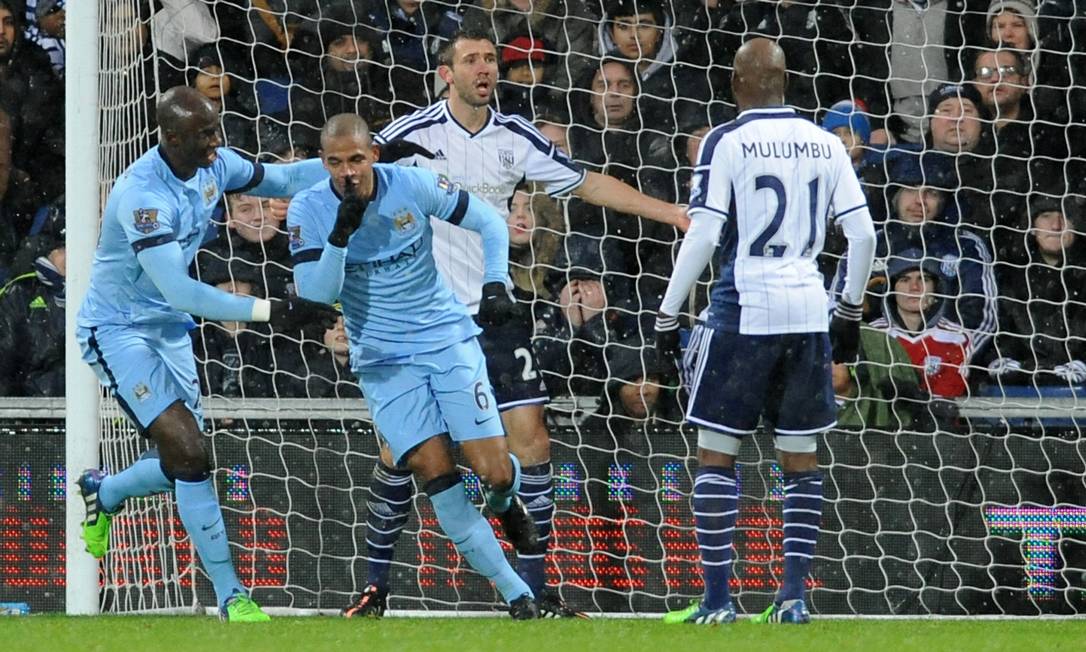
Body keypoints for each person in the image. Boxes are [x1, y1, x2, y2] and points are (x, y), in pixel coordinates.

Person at [359, 27, 688, 619]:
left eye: (490, 59)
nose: (485, 68)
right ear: (446, 73)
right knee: (401, 450)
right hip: (423, 319)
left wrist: (669, 212)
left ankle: (535, 593)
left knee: (532, 444)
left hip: (494, 314)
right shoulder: (410, 135)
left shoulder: (516, 136)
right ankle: (374, 588)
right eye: (472, 60)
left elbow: (586, 182)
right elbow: (352, 175)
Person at [73, 87, 340, 623]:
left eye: (216, 130)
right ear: (171, 138)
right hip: (119, 329)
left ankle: (105, 491)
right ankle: (231, 596)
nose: (216, 142)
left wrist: (345, 162)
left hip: (168, 331)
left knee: (182, 463)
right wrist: (272, 311)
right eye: (203, 135)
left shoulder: (216, 163)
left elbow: (283, 180)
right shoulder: (142, 196)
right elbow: (183, 292)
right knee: (191, 452)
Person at [654, 38, 876, 625]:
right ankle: (793, 598)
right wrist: (848, 313)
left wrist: (667, 315)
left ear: (736, 83)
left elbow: (702, 237)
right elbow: (864, 238)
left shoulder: (728, 140)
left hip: (744, 307)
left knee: (717, 454)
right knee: (800, 457)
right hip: (808, 311)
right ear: (786, 82)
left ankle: (719, 602)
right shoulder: (827, 143)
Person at [289, 113, 541, 619]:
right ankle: (519, 596)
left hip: (445, 340)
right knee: (434, 472)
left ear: (373, 155)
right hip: (383, 360)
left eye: (356, 159)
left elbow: (489, 220)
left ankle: (504, 502)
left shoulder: (414, 185)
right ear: (323, 164)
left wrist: (495, 281)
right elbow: (315, 292)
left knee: (493, 472)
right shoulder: (309, 207)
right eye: (336, 163)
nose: (348, 172)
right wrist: (341, 235)